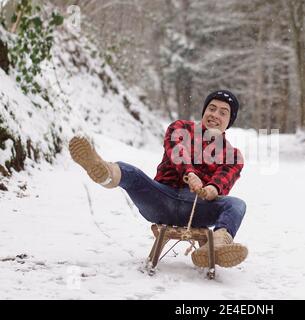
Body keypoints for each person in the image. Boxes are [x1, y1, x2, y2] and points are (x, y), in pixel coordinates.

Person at [69, 90, 248, 268]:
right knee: (131, 173)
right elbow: (177, 152)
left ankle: (216, 246)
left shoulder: (233, 156)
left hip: (198, 208)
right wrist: (190, 173)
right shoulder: (181, 128)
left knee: (237, 205)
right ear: (204, 111)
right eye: (212, 108)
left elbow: (223, 181)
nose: (215, 115)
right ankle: (103, 171)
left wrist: (211, 190)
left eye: (223, 112)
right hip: (161, 199)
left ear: (229, 121)